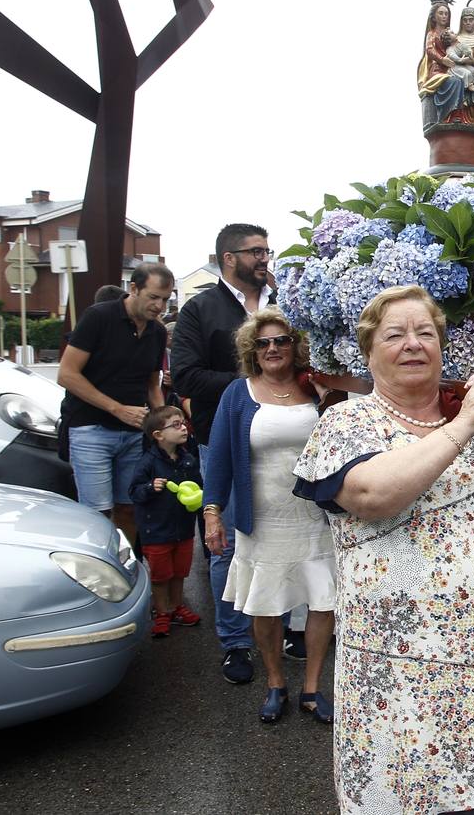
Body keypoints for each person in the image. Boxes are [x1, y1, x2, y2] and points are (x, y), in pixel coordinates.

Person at [292, 286, 474, 813]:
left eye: (425, 333)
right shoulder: (346, 422)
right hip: (399, 670)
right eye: (394, 334)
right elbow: (371, 495)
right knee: (406, 795)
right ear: (367, 352)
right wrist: (466, 423)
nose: (412, 344)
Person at [201, 309, 336, 725]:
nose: (273, 348)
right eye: (263, 343)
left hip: (315, 517)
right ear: (252, 350)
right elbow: (220, 458)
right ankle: (276, 683)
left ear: (295, 346)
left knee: (322, 600)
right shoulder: (238, 394)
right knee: (264, 604)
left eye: (281, 340)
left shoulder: (316, 388)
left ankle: (312, 688)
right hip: (262, 520)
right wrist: (212, 512)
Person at [171, 223, 275, 686]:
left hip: (287, 437)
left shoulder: (281, 305)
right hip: (225, 438)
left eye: (266, 250)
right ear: (228, 258)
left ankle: (285, 629)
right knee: (227, 546)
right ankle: (235, 642)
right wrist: (251, 383)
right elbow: (187, 378)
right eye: (255, 251)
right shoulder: (200, 309)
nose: (264, 258)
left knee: (285, 537)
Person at [57, 262, 172, 547]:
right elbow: (66, 374)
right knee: (97, 513)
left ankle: (125, 573)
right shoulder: (99, 317)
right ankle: (98, 579)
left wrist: (162, 421)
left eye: (166, 299)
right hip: (90, 429)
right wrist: (116, 408)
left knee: (130, 507)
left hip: (135, 432)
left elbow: (151, 384)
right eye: (154, 297)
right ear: (133, 289)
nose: (160, 306)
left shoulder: (157, 332)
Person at [128, 405, 203, 638]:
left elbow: (198, 486)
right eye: (176, 425)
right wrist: (151, 487)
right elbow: (134, 492)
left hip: (183, 528)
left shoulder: (188, 459)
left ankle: (177, 606)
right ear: (158, 435)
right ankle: (162, 611)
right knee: (161, 576)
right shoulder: (147, 463)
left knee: (180, 573)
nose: (183, 429)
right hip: (156, 530)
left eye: (183, 423)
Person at [417, 2, 474, 128]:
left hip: (465, 68)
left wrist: (471, 60)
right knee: (456, 81)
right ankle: (451, 115)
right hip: (441, 70)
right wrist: (443, 60)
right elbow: (430, 50)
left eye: (446, 14)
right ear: (434, 17)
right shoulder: (435, 34)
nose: (444, 16)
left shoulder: (458, 36)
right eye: (441, 13)